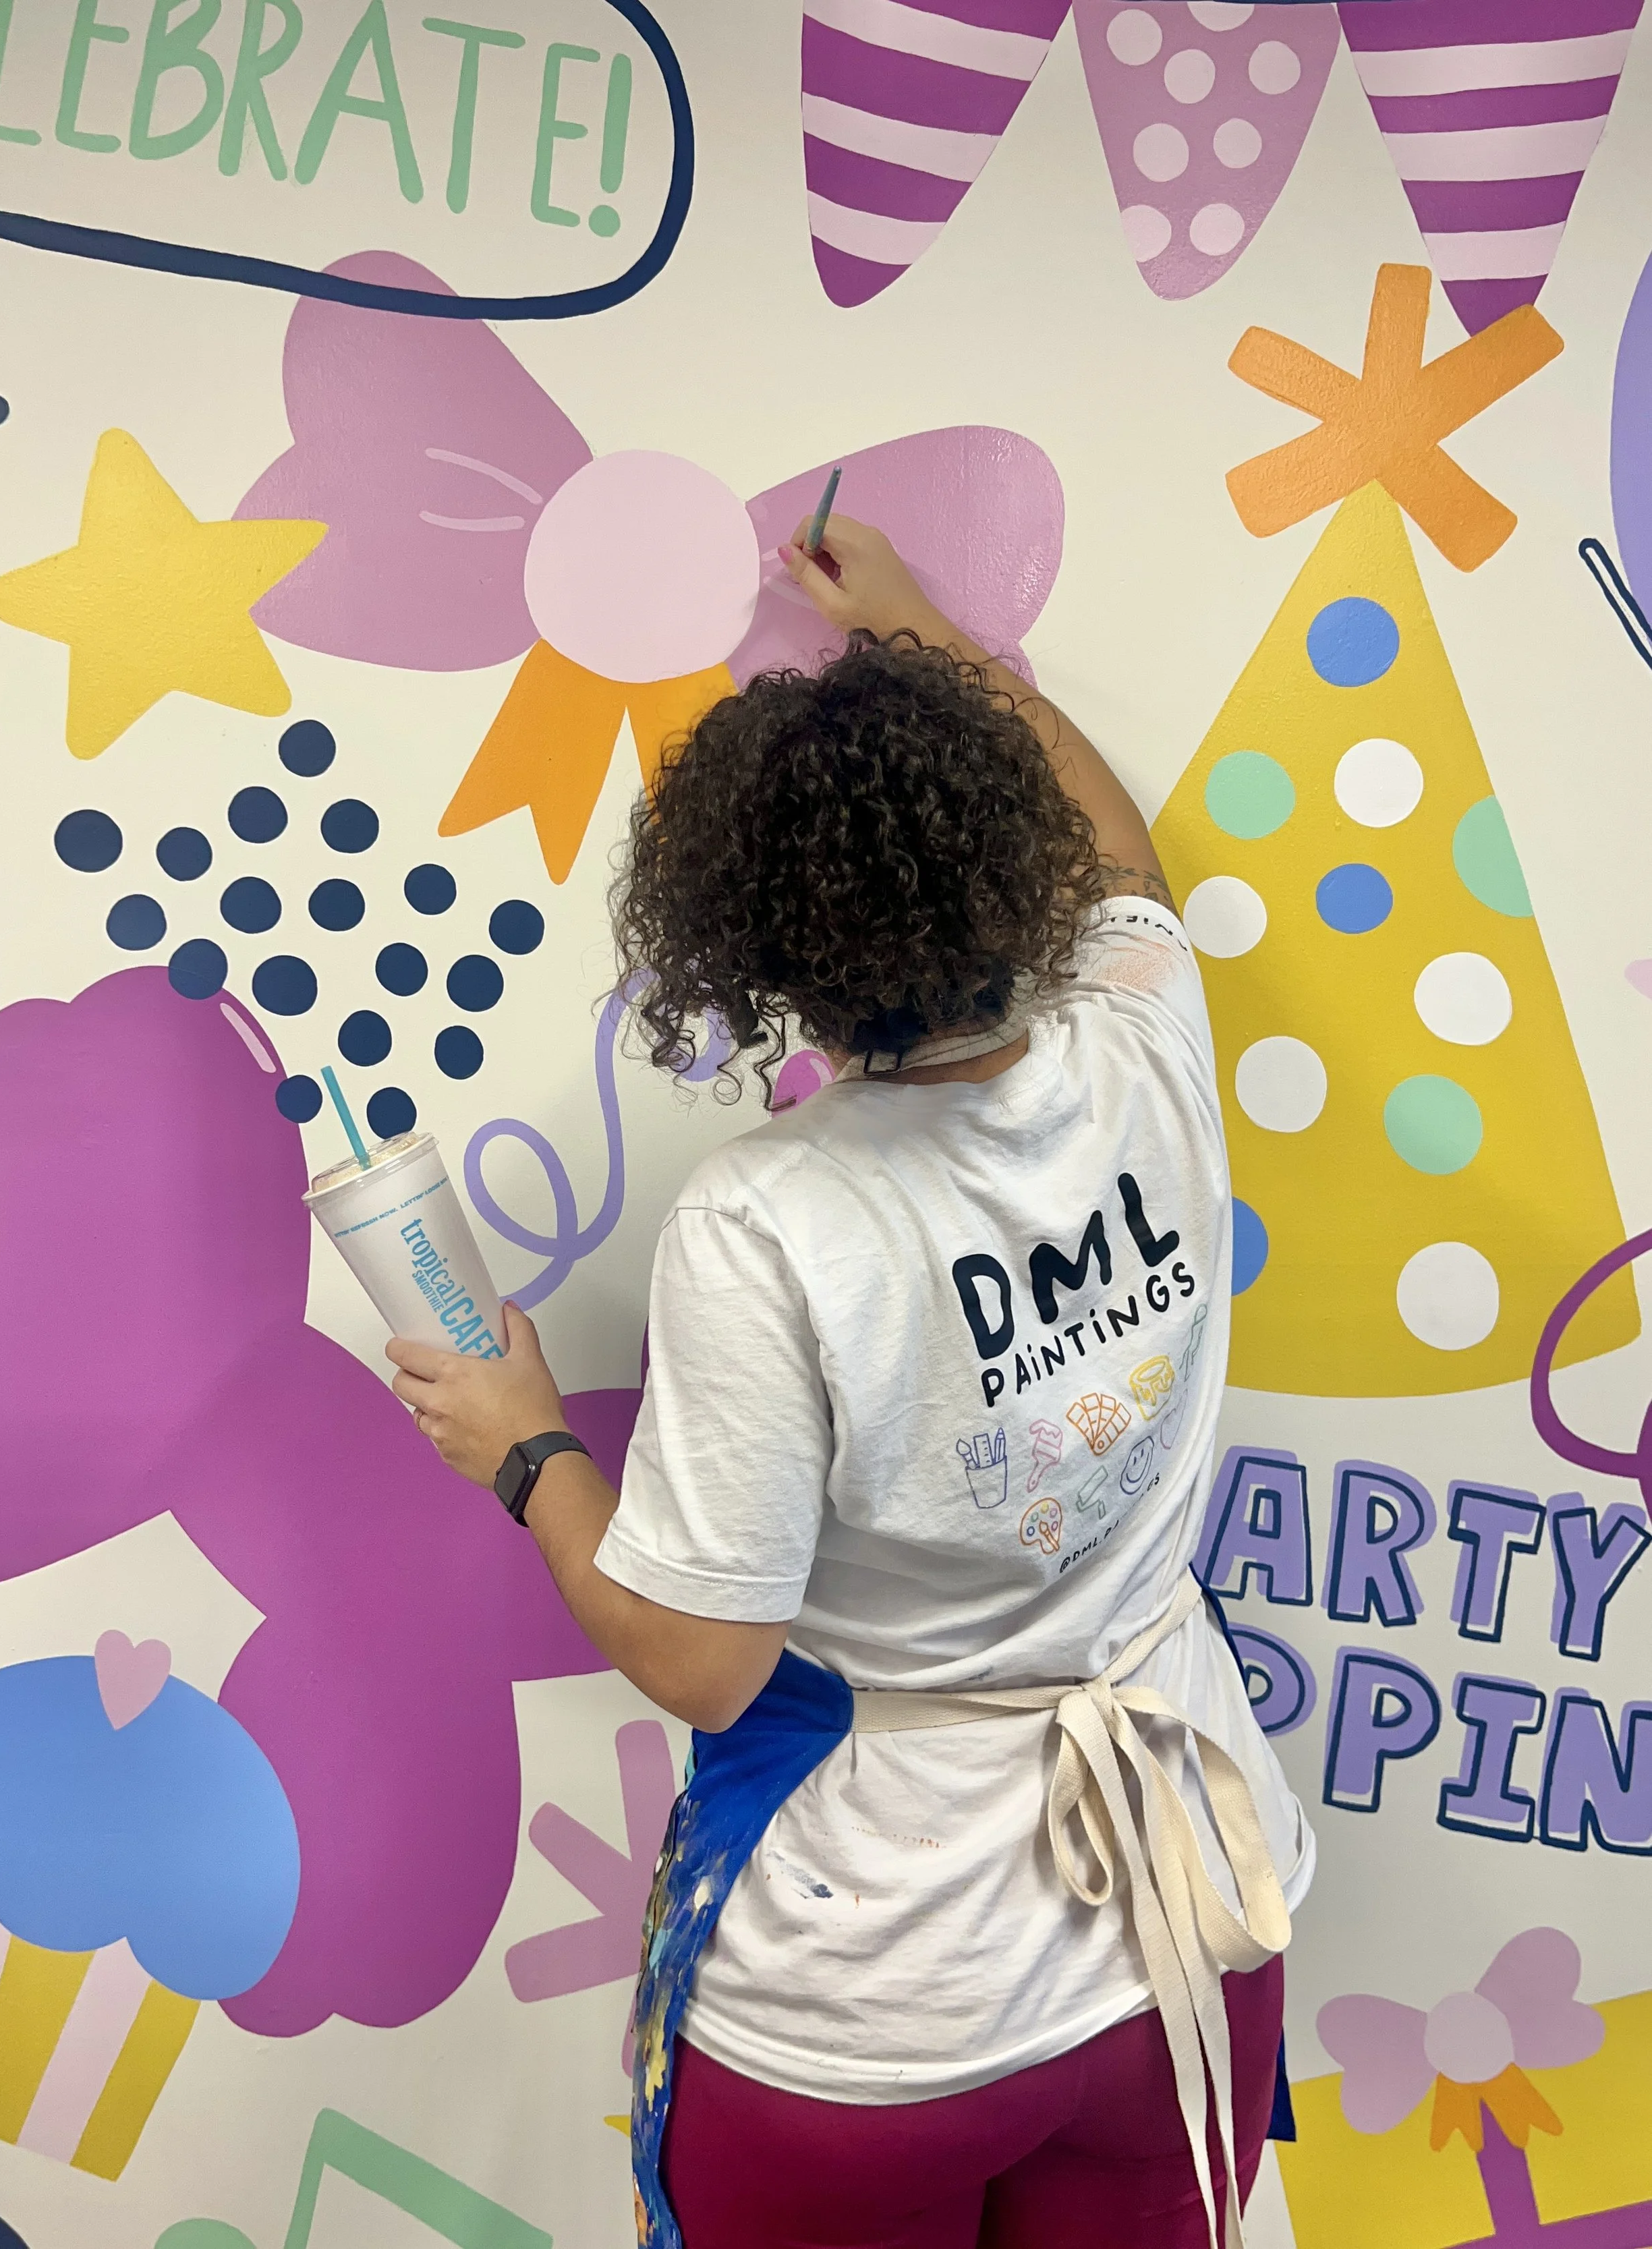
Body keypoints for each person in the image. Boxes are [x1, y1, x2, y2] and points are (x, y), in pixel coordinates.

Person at [389, 517, 1314, 2249]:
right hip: (1184, 1914)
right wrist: (922, 633)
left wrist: (524, 1456)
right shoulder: (1139, 1029)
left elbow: (706, 1658)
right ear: (1007, 861)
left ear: (755, 959)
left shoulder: (771, 1216)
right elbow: (1123, 856)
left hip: (880, 1994)